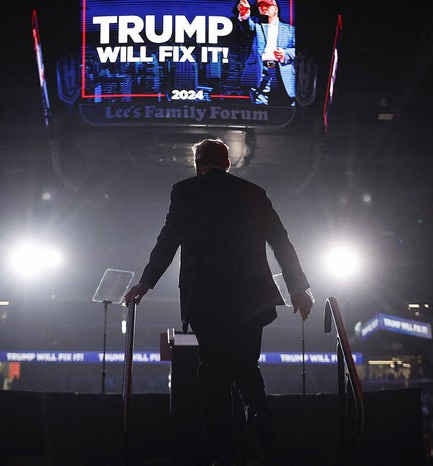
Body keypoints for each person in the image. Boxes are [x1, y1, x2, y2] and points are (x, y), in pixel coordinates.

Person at [125, 138, 313, 466]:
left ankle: (223, 454)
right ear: (228, 162)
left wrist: (146, 282)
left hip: (205, 297)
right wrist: (298, 288)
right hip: (250, 298)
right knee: (245, 363)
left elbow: (168, 240)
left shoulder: (185, 191)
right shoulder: (253, 192)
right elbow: (281, 242)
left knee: (213, 374)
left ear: (198, 164)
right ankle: (260, 417)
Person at [235, 0, 296, 106]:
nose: (263, 8)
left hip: (282, 71)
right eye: (261, 6)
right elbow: (247, 26)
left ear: (276, 8)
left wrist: (285, 53)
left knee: (286, 103)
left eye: (267, 5)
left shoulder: (290, 30)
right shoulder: (257, 27)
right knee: (260, 104)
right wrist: (244, 13)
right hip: (261, 70)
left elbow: (299, 50)